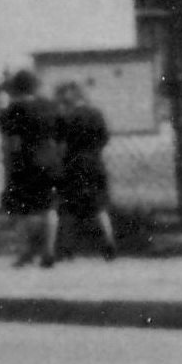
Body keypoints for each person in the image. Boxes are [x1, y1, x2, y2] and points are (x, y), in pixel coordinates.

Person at [0, 70, 58, 267]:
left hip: (24, 161)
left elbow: (7, 132)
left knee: (22, 210)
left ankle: (25, 252)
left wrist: (1, 108)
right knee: (48, 207)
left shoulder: (15, 107)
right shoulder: (49, 105)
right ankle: (49, 251)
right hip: (49, 159)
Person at [54, 81, 119, 265]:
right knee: (98, 205)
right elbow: (104, 138)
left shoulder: (65, 117)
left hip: (72, 164)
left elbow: (59, 143)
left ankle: (67, 249)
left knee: (68, 207)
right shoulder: (96, 114)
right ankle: (109, 242)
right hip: (95, 162)